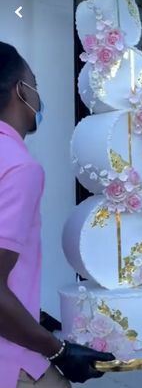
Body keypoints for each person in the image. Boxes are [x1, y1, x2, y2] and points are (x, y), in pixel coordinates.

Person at [0, 42, 114, 388]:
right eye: (34, 84)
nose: (39, 96)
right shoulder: (20, 167)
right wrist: (58, 351)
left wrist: (37, 318)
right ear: (22, 91)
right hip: (10, 355)